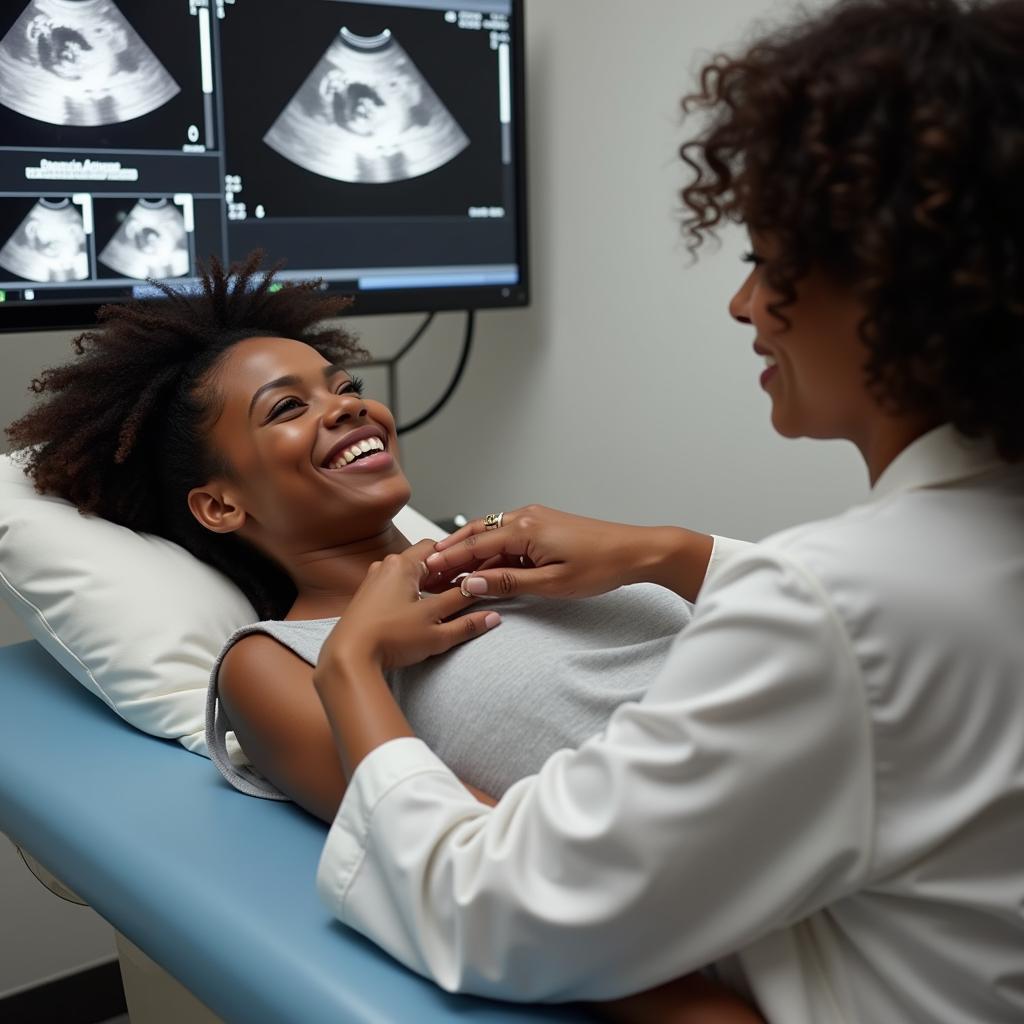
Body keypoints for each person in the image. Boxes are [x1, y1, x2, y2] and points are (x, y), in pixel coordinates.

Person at [302, 1, 1024, 1021]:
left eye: (767, 262)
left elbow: (498, 910)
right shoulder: (929, 556)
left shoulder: (827, 607)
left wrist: (350, 670)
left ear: (892, 285)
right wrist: (672, 553)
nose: (742, 306)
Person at [5, 251, 763, 1022]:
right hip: (767, 904)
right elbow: (476, 864)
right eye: (286, 408)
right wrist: (696, 1009)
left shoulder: (537, 549)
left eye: (346, 389)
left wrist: (667, 556)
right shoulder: (279, 663)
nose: (347, 408)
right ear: (221, 506)